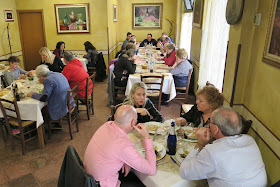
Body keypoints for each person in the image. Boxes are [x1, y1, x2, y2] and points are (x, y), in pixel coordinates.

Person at [179, 106, 267, 186]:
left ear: (216, 129)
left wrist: (200, 144)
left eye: (210, 121)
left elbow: (184, 172)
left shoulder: (212, 152)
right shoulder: (249, 140)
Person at [84, 105, 156, 187]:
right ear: (133, 122)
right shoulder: (124, 145)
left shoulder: (107, 124)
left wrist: (125, 160)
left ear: (115, 117)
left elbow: (113, 150)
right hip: (100, 184)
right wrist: (147, 137)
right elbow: (151, 169)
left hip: (88, 176)